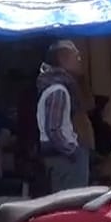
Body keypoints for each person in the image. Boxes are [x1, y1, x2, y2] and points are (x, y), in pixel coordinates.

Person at [36, 40, 93, 192]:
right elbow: (53, 130)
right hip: (63, 160)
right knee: (70, 204)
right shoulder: (57, 90)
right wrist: (73, 152)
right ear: (63, 59)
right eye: (76, 56)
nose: (80, 60)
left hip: (63, 158)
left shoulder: (58, 88)